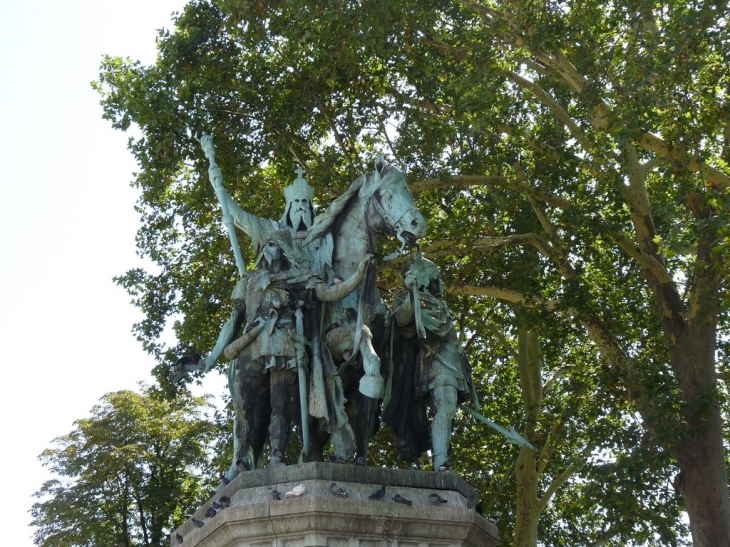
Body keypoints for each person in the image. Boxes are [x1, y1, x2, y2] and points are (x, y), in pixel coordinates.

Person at [383, 254, 477, 471]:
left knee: (448, 410)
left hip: (454, 362)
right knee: (444, 406)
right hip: (435, 361)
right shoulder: (409, 298)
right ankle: (441, 460)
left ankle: (441, 458)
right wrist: (412, 294)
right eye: (430, 272)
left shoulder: (439, 303)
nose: (436, 278)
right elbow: (402, 320)